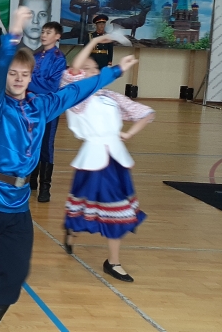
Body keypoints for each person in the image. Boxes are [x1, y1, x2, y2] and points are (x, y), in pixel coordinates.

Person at [0, 8, 137, 332]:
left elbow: (77, 90)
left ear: (31, 75)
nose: (19, 78)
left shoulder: (41, 105)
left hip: (18, 206)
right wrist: (14, 34)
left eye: (24, 73)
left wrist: (116, 71)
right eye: (13, 73)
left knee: (15, 272)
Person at [61, 35, 154, 283]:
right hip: (92, 158)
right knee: (90, 204)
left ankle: (113, 261)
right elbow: (73, 71)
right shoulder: (77, 96)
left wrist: (129, 133)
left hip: (116, 158)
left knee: (116, 207)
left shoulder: (111, 97)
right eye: (84, 69)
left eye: (94, 69)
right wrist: (96, 42)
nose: (88, 72)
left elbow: (145, 113)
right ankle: (73, 232)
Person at [28, 21, 66, 202]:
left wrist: (28, 81)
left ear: (57, 36)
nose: (44, 35)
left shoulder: (59, 58)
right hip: (31, 106)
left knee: (46, 144)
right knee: (31, 141)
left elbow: (52, 86)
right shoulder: (35, 55)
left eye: (48, 32)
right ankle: (31, 180)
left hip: (49, 107)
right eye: (43, 32)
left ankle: (45, 186)